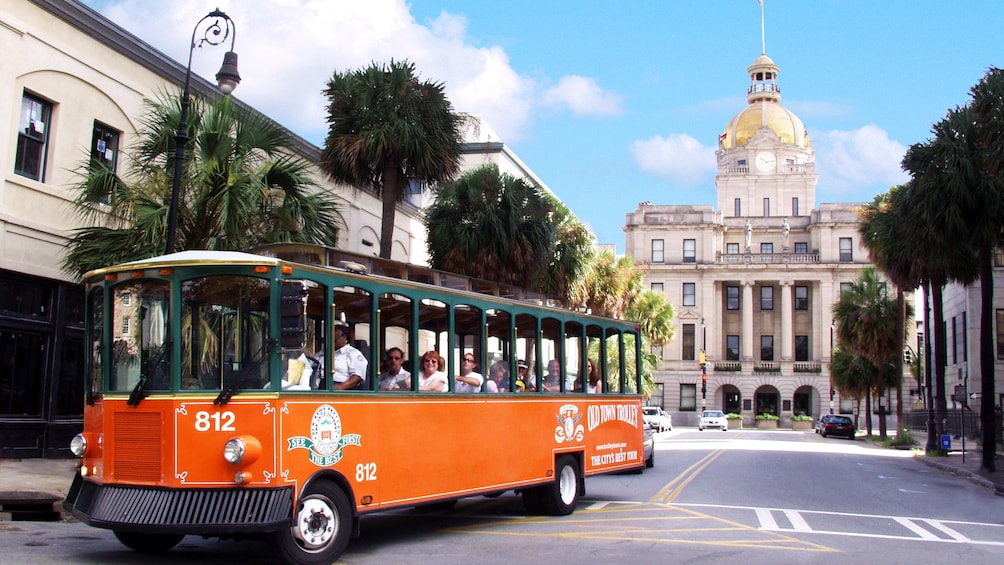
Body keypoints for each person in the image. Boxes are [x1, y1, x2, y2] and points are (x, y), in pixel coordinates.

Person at [332, 322, 367, 390]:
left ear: (344, 338)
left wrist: (341, 387)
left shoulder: (353, 353)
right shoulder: (322, 353)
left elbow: (358, 376)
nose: (332, 341)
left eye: (335, 339)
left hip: (342, 390)